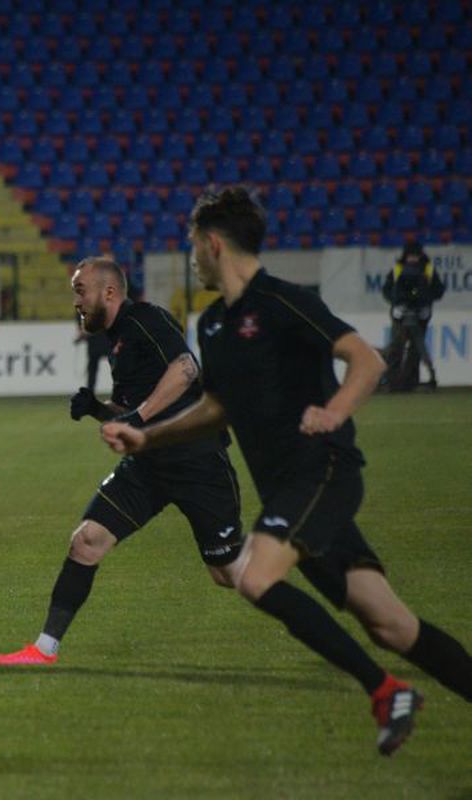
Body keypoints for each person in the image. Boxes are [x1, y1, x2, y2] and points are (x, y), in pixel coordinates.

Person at [102, 186, 472, 756]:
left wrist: (334, 411)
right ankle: (401, 679)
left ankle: (385, 691)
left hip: (322, 472)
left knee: (254, 575)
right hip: (288, 489)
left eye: (194, 246)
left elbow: (366, 360)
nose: (192, 256)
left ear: (213, 243)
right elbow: (218, 409)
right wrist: (145, 435)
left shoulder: (281, 301)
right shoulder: (215, 327)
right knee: (392, 626)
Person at [0, 257, 243, 666]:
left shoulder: (144, 318)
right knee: (86, 541)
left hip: (197, 462)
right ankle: (44, 648)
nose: (75, 300)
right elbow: (130, 412)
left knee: (227, 573)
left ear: (109, 292)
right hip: (147, 466)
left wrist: (136, 417)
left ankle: (303, 574)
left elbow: (185, 368)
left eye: (79, 290)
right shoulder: (118, 339)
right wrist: (97, 408)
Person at [381, 241, 444, 391]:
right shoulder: (397, 270)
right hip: (400, 315)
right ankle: (392, 381)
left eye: (415, 255)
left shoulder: (428, 270)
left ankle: (410, 382)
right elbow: (387, 290)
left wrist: (426, 302)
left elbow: (438, 290)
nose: (413, 259)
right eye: (410, 255)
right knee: (397, 346)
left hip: (420, 313)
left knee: (416, 348)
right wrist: (396, 303)